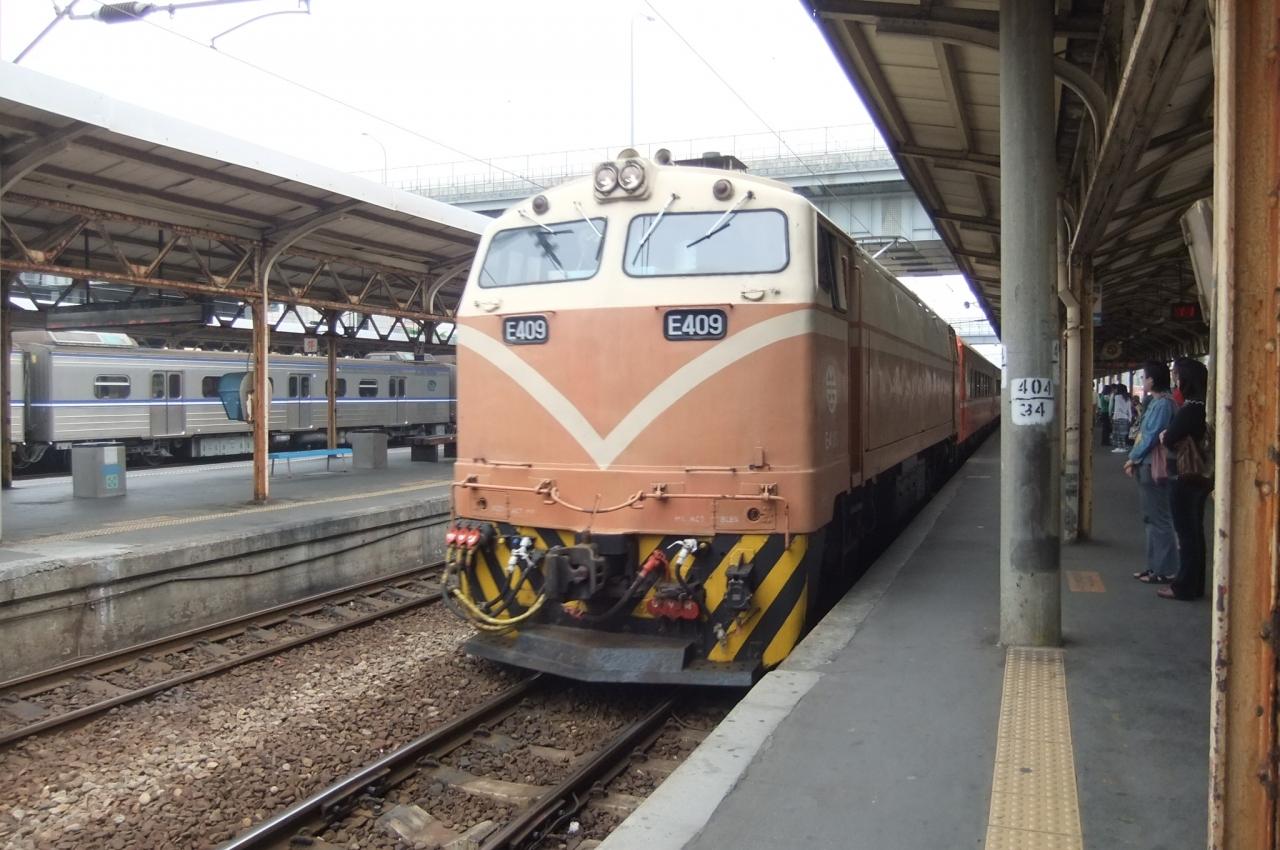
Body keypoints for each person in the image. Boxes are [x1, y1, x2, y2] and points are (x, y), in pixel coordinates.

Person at [1157, 358, 1211, 600]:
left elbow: (1170, 438)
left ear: (1185, 379)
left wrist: (1165, 435)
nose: (1175, 381)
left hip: (1184, 477)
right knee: (1195, 532)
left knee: (1186, 533)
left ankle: (1184, 586)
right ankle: (1195, 583)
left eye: (1177, 376)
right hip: (1198, 478)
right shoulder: (1203, 407)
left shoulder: (1191, 408)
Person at [1126, 362, 1179, 584]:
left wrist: (1133, 457)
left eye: (1145, 377)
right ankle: (1153, 566)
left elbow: (1150, 436)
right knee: (1151, 518)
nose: (1143, 380)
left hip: (1153, 465)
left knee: (1159, 519)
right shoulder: (1157, 402)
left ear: (1153, 380)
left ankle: (1165, 569)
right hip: (1147, 464)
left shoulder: (1163, 404)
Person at [1110, 385, 1131, 453]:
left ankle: (1119, 447)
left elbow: (1116, 408)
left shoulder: (1117, 397)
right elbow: (1129, 409)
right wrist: (1130, 418)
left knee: (1118, 433)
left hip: (1118, 417)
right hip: (1125, 417)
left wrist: (1113, 417)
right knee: (1123, 434)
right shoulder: (1127, 398)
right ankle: (1123, 447)